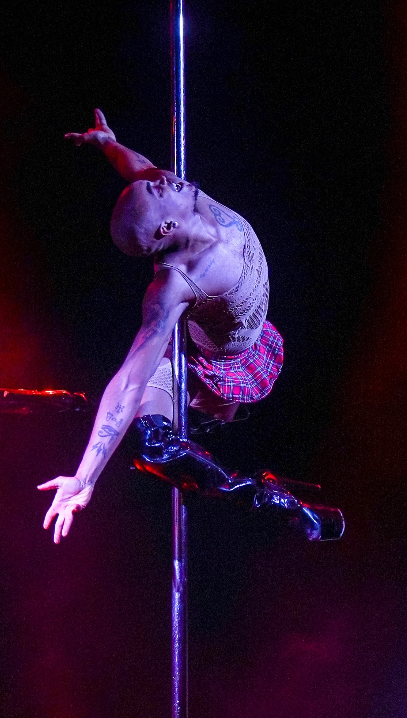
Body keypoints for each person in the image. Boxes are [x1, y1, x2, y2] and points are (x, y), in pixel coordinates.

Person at [38, 109, 283, 543]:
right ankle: (259, 494)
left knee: (196, 417)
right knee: (152, 441)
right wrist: (84, 477)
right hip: (206, 365)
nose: (166, 179)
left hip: (251, 344)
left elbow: (139, 167)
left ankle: (193, 417)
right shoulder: (173, 283)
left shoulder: (180, 193)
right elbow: (130, 378)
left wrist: (107, 144)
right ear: (167, 227)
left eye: (161, 181)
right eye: (159, 188)